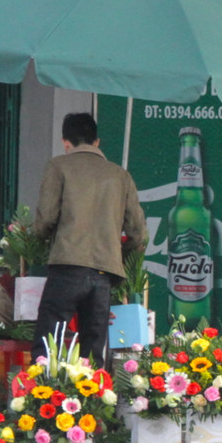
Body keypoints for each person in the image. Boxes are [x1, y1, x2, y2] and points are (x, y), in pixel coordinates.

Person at [33, 112, 146, 365]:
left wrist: (40, 240)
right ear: (97, 142)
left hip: (67, 268)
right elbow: (139, 234)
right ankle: (93, 391)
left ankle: (45, 390)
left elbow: (46, 219)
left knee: (48, 349)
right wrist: (118, 257)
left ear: (66, 142)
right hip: (104, 275)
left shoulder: (59, 166)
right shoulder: (120, 175)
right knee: (92, 356)